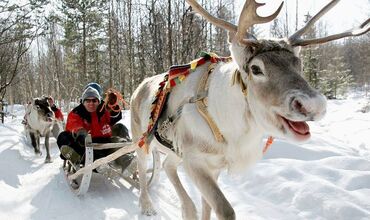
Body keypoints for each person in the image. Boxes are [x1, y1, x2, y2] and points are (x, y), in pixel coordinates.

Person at [57, 83, 133, 175]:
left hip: (106, 142)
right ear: (83, 102)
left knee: (118, 142)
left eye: (94, 101)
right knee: (64, 136)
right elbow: (73, 123)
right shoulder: (77, 112)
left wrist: (113, 106)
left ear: (98, 101)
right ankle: (94, 163)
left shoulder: (103, 110)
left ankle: (128, 162)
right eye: (88, 101)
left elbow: (114, 117)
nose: (91, 103)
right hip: (87, 143)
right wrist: (81, 132)